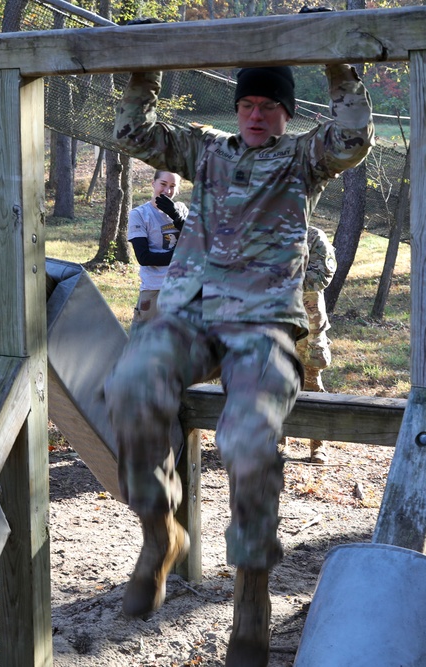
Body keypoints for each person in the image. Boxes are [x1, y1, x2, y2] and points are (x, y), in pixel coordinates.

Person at [106, 64, 373, 665]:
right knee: (129, 383)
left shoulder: (303, 158)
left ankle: (252, 587)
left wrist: (341, 77)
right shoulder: (205, 150)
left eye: (269, 106)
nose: (256, 115)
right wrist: (142, 76)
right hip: (189, 315)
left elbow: (352, 140)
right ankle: (159, 530)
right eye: (247, 104)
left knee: (249, 440)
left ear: (286, 114)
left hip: (263, 324)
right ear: (236, 109)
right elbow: (132, 134)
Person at [296, 225, 336, 464]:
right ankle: (278, 438)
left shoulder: (313, 235)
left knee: (311, 380)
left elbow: (322, 275)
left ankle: (317, 444)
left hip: (308, 321)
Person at [127, 170, 188, 325]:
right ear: (153, 184)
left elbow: (196, 242)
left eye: (172, 186)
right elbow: (144, 257)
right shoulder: (139, 214)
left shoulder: (181, 209)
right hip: (155, 288)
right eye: (163, 184)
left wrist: (176, 216)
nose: (167, 191)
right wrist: (181, 255)